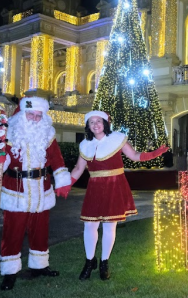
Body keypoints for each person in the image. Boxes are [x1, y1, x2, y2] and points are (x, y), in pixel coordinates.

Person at [64, 110, 168, 281]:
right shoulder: (85, 145)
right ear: (88, 126)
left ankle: (104, 262)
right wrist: (66, 184)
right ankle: (89, 261)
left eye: (99, 121)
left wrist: (154, 153)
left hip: (114, 185)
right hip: (95, 187)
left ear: (105, 123)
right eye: (92, 122)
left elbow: (134, 156)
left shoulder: (117, 138)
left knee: (109, 225)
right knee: (90, 225)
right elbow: (78, 168)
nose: (96, 124)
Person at [0, 96, 72, 291]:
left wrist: (62, 180)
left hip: (42, 189)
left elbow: (56, 158)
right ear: (22, 113)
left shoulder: (47, 133)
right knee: (12, 232)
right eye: (30, 114)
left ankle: (40, 266)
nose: (34, 118)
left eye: (38, 115)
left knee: (40, 230)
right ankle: (9, 272)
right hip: (16, 190)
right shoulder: (6, 132)